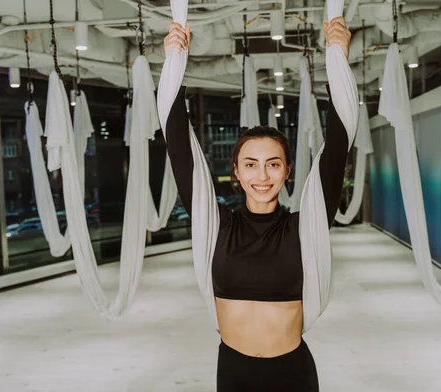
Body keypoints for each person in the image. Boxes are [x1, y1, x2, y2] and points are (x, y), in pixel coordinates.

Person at [164, 16, 352, 392]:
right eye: (250, 164)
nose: (262, 176)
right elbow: (180, 148)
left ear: (287, 172)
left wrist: (338, 60)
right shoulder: (217, 226)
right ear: (236, 171)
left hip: (292, 374)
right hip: (233, 373)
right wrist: (173, 65)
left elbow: (338, 144)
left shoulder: (305, 227)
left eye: (273, 164)